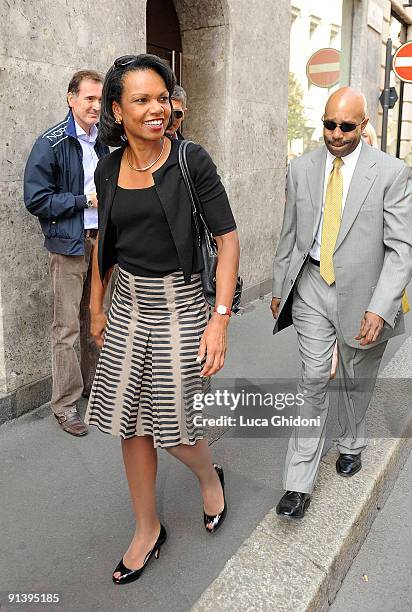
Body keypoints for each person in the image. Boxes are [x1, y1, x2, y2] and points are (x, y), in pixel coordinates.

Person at [84, 54, 240, 584]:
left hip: (181, 303)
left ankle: (208, 477)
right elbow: (106, 237)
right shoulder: (107, 167)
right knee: (129, 423)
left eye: (162, 97)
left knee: (172, 427)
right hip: (127, 299)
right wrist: (96, 301)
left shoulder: (192, 162)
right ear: (116, 110)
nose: (157, 109)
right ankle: (147, 528)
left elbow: (227, 238)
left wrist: (219, 320)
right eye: (142, 100)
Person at [271, 87, 412, 519]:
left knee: (356, 378)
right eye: (328, 124)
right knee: (314, 377)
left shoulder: (390, 173)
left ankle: (352, 441)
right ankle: (298, 483)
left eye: (346, 126)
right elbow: (289, 233)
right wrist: (282, 285)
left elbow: (403, 249)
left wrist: (380, 306)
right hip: (313, 283)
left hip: (367, 292)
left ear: (364, 124)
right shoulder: (300, 168)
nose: (335, 134)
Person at [24, 70, 109, 436]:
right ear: (71, 98)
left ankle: (95, 389)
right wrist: (81, 200)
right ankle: (64, 404)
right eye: (89, 98)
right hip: (69, 243)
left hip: (101, 242)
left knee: (97, 319)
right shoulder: (51, 143)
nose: (96, 105)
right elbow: (36, 199)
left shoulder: (103, 141)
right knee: (67, 327)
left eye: (100, 99)